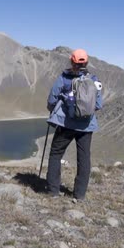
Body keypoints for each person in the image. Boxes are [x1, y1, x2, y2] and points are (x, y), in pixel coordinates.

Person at [45, 48, 103, 202]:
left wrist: (53, 110)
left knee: (56, 154)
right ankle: (80, 194)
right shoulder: (94, 80)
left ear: (72, 60)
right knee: (84, 158)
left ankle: (53, 191)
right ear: (87, 62)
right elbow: (98, 104)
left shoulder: (64, 78)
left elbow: (52, 98)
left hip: (66, 124)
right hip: (86, 126)